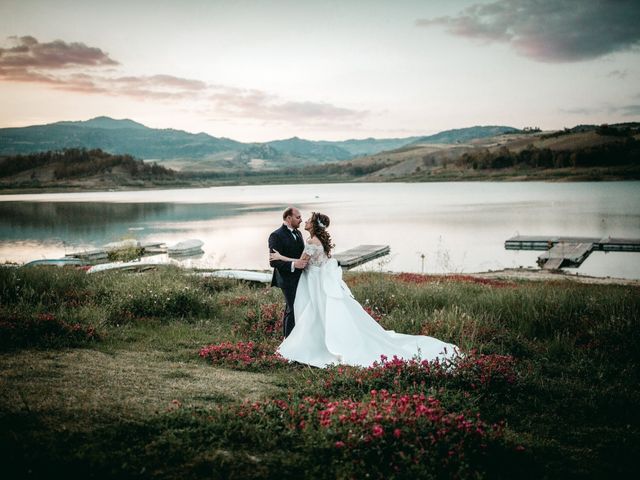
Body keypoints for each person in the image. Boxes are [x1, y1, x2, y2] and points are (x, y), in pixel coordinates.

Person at [270, 211, 458, 368]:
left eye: (308, 219)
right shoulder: (319, 241)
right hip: (319, 280)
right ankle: (315, 341)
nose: (305, 221)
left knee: (315, 313)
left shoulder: (312, 242)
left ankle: (314, 345)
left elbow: (303, 263)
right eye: (302, 218)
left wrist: (281, 257)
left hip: (314, 281)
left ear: (314, 225)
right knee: (319, 314)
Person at [269, 207, 308, 338]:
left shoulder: (298, 233)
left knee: (294, 308)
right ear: (288, 218)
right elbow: (273, 262)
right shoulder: (276, 235)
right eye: (298, 217)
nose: (301, 220)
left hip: (301, 278)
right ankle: (288, 342)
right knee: (292, 309)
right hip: (286, 279)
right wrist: (293, 264)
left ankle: (294, 339)